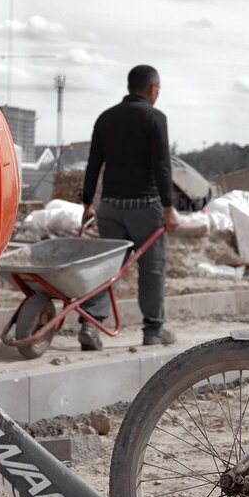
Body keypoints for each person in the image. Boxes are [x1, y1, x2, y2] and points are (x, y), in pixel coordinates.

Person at [79, 65, 179, 350]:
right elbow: (162, 165)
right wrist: (169, 207)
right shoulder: (155, 118)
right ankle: (153, 330)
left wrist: (88, 203)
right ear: (152, 89)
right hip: (145, 209)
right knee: (152, 270)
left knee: (108, 268)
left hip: (110, 208)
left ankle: (91, 323)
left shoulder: (106, 118)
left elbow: (93, 164)